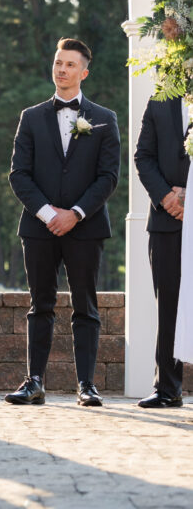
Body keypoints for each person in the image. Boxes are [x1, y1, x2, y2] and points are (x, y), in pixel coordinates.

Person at [6, 38, 120, 409]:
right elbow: (18, 174)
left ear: (83, 72)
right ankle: (34, 382)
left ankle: (87, 385)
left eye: (70, 64)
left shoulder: (105, 119)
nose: (62, 69)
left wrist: (75, 214)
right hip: (38, 227)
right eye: (58, 62)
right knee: (40, 304)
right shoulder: (31, 117)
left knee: (85, 306)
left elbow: (108, 177)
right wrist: (48, 213)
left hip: (86, 227)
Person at [134, 95, 190, 407]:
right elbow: (143, 157)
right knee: (168, 303)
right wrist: (167, 198)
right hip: (165, 221)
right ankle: (167, 388)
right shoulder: (159, 102)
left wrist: (191, 197)